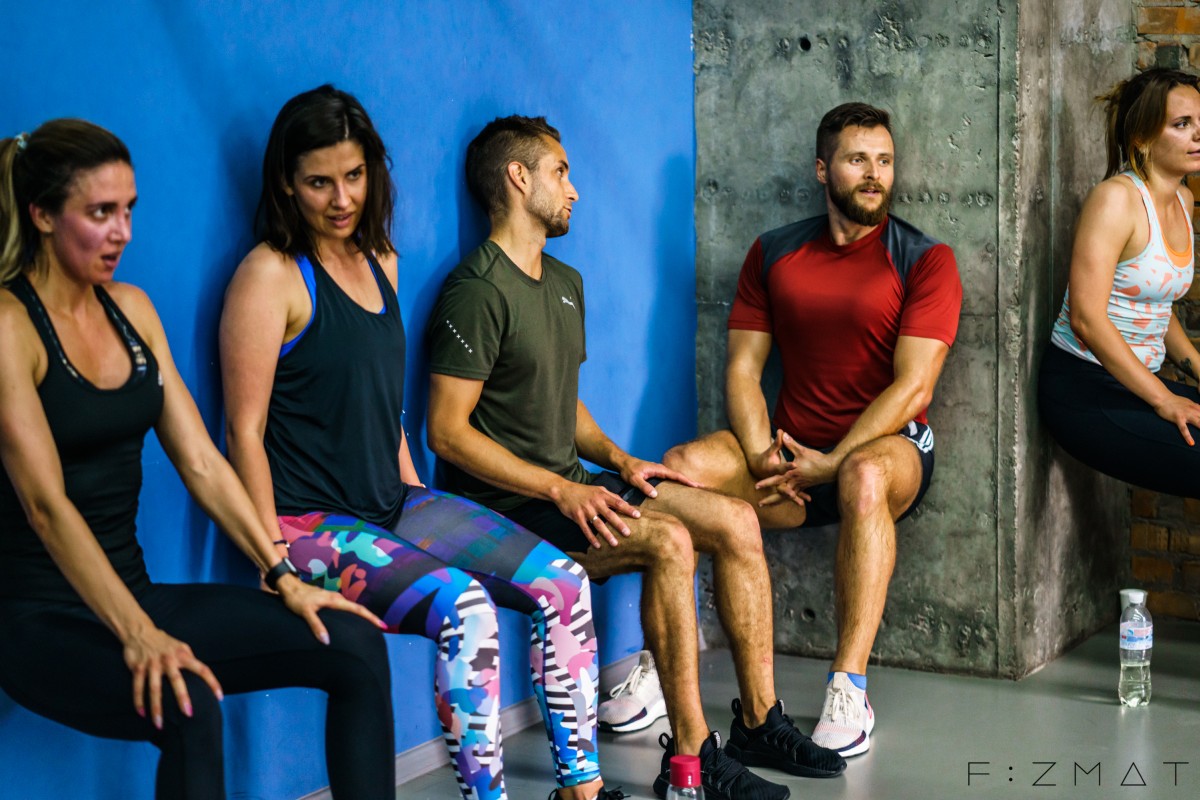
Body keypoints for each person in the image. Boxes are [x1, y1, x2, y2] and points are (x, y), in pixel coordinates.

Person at [426, 114, 847, 800]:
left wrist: (621, 462)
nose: (574, 190)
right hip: (509, 509)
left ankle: (758, 721)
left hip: (572, 486)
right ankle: (691, 761)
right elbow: (447, 433)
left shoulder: (563, 282)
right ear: (518, 178)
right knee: (669, 540)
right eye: (561, 172)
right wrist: (559, 490)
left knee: (736, 519)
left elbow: (561, 402)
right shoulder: (476, 291)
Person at [219, 86, 621, 800]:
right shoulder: (269, 276)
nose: (341, 198)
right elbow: (242, 432)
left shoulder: (381, 259)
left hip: (394, 501)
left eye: (353, 175)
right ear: (286, 185)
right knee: (465, 610)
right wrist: (271, 560)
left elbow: (383, 399)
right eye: (318, 182)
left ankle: (580, 791)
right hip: (307, 524)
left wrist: (414, 489)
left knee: (564, 582)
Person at [0, 120, 395, 800]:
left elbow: (203, 464)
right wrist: (139, 634)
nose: (122, 232)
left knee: (353, 645)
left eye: (129, 210)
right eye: (100, 213)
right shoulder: (10, 326)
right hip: (38, 619)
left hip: (136, 592)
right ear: (41, 215)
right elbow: (45, 506)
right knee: (188, 702)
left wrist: (283, 574)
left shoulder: (131, 311)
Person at [663, 102, 963, 757]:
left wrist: (834, 460)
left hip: (890, 452)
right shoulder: (775, 252)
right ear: (823, 169)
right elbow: (743, 368)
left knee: (863, 476)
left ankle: (848, 686)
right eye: (858, 160)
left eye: (884, 161)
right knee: (681, 469)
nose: (874, 174)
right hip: (791, 456)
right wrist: (759, 454)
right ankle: (661, 665)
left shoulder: (924, 258)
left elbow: (914, 388)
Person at [1039, 67, 1200, 498]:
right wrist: (1164, 399)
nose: (1198, 134)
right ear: (1142, 138)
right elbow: (1086, 319)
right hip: (1083, 389)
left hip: (1137, 384)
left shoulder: (1183, 200)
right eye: (1182, 124)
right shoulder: (1115, 200)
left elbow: (1156, 306)